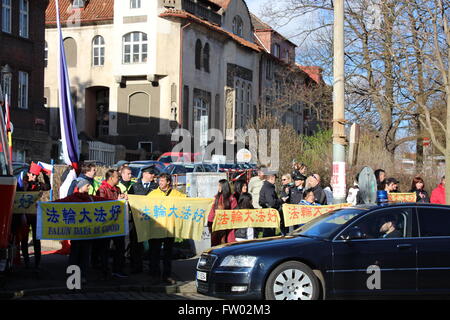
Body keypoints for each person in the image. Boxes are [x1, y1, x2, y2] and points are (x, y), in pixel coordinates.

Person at [54, 178, 108, 284]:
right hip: (76, 233)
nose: (89, 187)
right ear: (80, 187)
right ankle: (72, 277)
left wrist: (118, 202)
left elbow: (103, 201)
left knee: (85, 255)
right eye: (87, 186)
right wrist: (43, 205)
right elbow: (58, 203)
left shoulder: (90, 198)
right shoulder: (72, 198)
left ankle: (83, 276)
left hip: (88, 233)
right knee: (75, 255)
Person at [147, 173, 186, 285]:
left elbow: (187, 202)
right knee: (154, 252)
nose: (160, 183)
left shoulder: (176, 194)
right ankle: (154, 275)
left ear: (168, 182)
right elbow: (143, 203)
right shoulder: (153, 194)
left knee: (168, 253)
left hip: (170, 228)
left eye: (163, 181)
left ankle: (167, 275)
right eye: (159, 181)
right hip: (156, 227)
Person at [16, 162, 51, 269]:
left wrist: (44, 174)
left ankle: (37, 262)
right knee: (24, 239)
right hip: (24, 215)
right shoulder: (22, 183)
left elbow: (48, 187)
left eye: (36, 175)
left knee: (37, 239)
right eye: (33, 175)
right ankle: (26, 261)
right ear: (29, 173)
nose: (35, 177)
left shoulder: (38, 184)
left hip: (35, 215)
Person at [96, 169, 128, 279]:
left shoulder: (117, 189)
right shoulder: (102, 189)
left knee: (120, 247)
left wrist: (123, 199)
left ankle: (117, 269)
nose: (118, 178)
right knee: (104, 248)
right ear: (111, 178)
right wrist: (116, 201)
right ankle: (105, 271)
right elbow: (101, 205)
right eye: (117, 177)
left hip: (117, 223)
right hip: (106, 224)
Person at [128, 166, 158, 274]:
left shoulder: (156, 187)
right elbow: (129, 203)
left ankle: (152, 268)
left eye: (153, 174)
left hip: (152, 220)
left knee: (152, 244)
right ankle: (136, 266)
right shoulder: (135, 187)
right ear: (144, 174)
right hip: (137, 220)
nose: (153, 176)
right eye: (151, 174)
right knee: (136, 244)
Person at [208, 179, 238, 246]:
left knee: (228, 243)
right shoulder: (216, 198)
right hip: (217, 224)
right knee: (216, 243)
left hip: (228, 224)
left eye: (220, 186)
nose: (218, 187)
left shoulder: (232, 198)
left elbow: (234, 212)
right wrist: (209, 222)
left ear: (224, 187)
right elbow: (212, 211)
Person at [259, 170, 283, 237]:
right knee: (270, 235)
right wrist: (280, 200)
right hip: (269, 214)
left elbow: (260, 201)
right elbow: (271, 202)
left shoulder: (266, 186)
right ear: (272, 177)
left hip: (267, 213)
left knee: (267, 233)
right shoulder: (269, 188)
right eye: (275, 178)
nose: (275, 180)